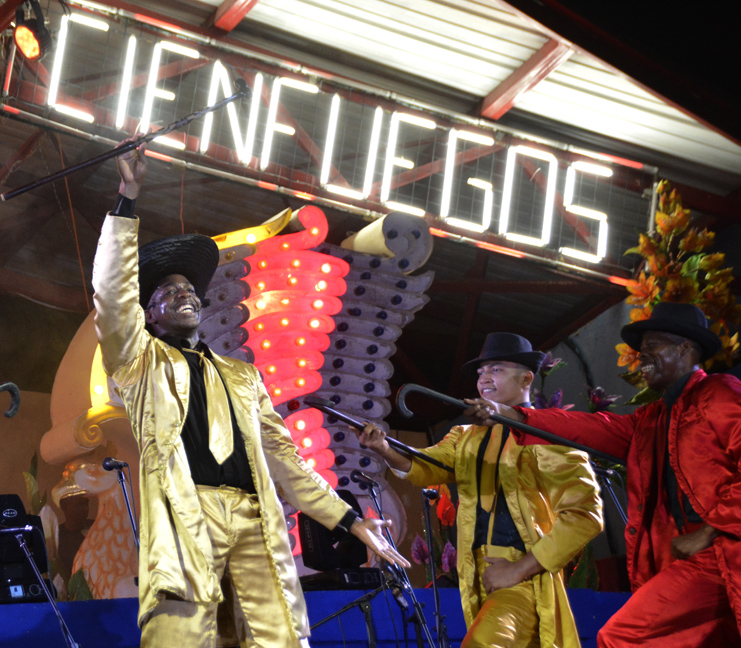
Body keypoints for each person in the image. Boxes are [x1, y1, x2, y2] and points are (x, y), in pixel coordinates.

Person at [92, 135, 409, 648]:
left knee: (278, 636)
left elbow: (288, 461)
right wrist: (127, 201)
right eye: (169, 292)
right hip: (186, 517)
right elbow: (111, 297)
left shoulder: (243, 377)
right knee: (181, 635)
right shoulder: (141, 363)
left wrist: (351, 521)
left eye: (191, 290)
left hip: (254, 520)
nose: (186, 295)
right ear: (149, 314)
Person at [471, 303, 741, 646]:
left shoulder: (719, 394)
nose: (640, 358)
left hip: (720, 553)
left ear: (685, 348)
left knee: (622, 636)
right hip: (693, 563)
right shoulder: (652, 420)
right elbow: (596, 429)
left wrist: (707, 532)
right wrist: (518, 416)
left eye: (651, 347)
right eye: (640, 351)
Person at [356, 333, 603, 647]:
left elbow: (585, 516)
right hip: (479, 577)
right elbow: (425, 466)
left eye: (496, 369)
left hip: (523, 577)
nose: (484, 378)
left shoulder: (548, 433)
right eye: (480, 372)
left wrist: (518, 569)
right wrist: (383, 448)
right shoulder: (465, 436)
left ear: (526, 378)